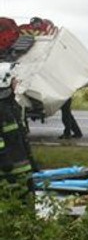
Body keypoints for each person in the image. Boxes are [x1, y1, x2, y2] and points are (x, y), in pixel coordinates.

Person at [0, 62, 34, 192]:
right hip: (9, 170)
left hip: (23, 166)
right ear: (5, 81)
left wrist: (32, 162)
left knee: (28, 201)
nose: (17, 82)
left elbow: (21, 136)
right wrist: (4, 159)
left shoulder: (13, 105)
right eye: (14, 79)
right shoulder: (2, 107)